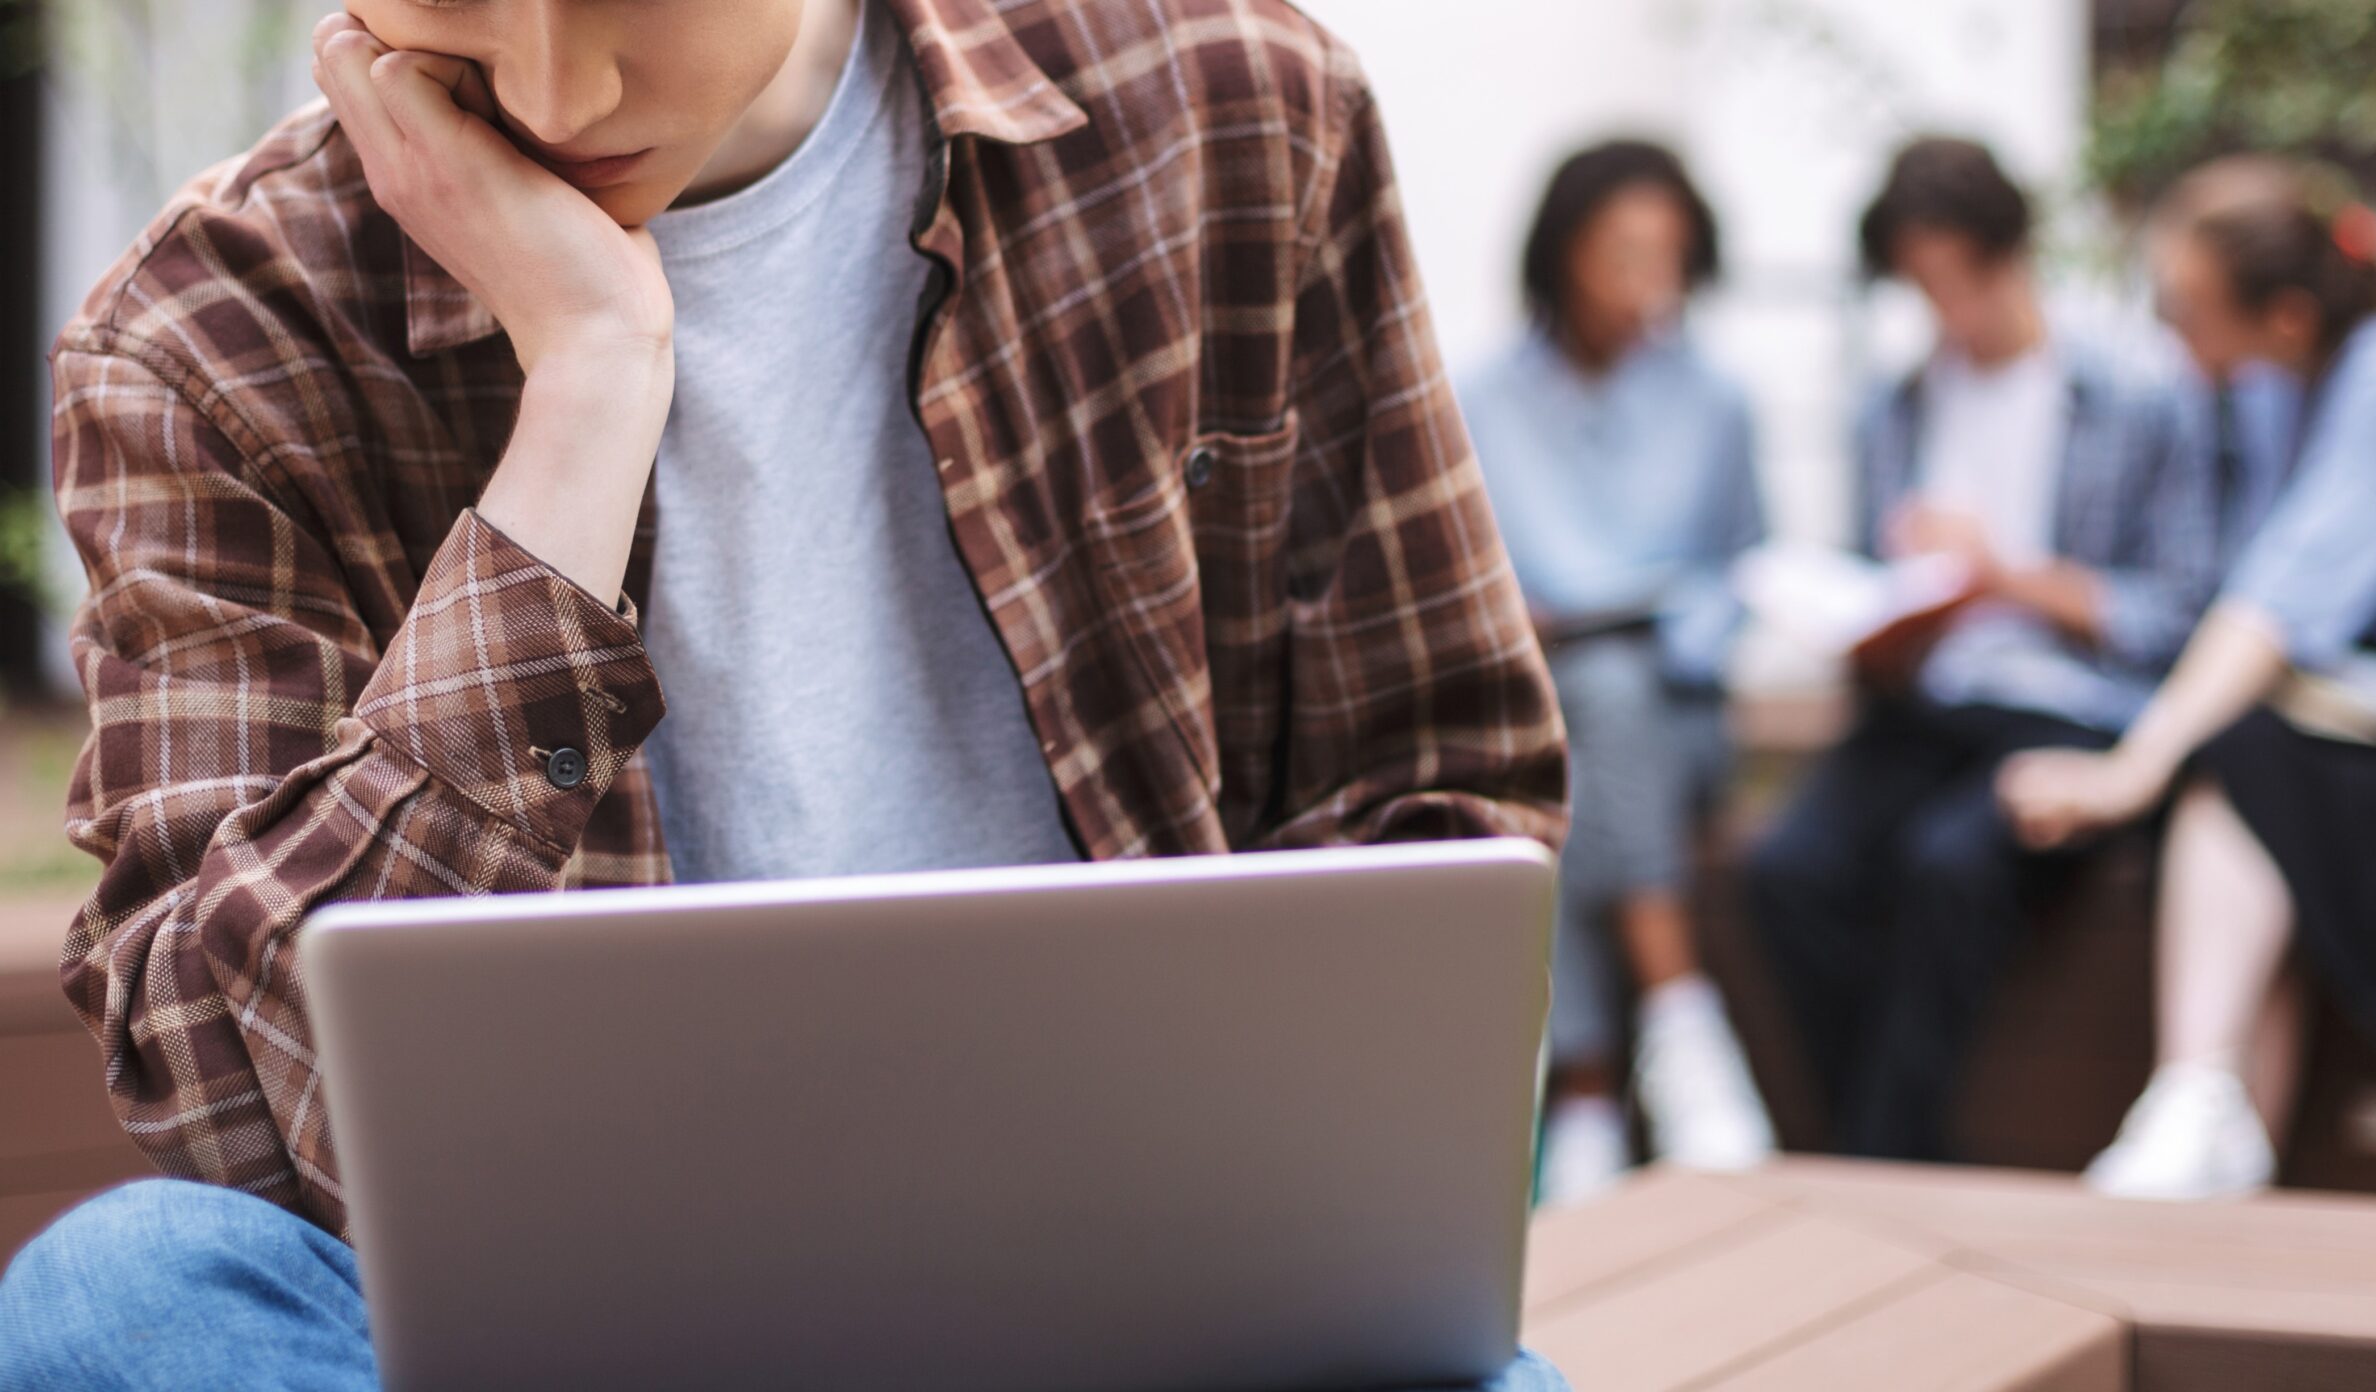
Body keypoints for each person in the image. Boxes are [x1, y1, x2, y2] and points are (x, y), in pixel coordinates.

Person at [0, 1, 1574, 1387]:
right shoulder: (210, 336)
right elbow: (221, 1096)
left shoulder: (1234, 110)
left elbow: (1438, 794)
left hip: (1158, 1306)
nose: (557, 94)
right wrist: (588, 399)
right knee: (118, 1299)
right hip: (566, 1340)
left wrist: (1232, 1217)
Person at [2002, 157, 2376, 1202]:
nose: (2168, 334)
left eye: (2184, 309)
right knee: (2264, 781)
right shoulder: (2270, 387)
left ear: (2287, 316)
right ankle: (2211, 1124)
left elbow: (2271, 610)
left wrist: (2133, 767)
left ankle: (2199, 1099)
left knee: (2245, 765)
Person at [1745, 137, 2221, 1162]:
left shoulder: (2133, 395)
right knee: (1785, 869)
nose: (1950, 311)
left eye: (1966, 280)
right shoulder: (1895, 404)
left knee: (1947, 869)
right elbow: (1868, 587)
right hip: (1925, 703)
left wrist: (2002, 575)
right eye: (1924, 288)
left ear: (2015, 254)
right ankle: (1880, 1145)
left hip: (2068, 710)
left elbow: (2176, 613)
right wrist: (1872, 623)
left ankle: (1884, 1162)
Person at [1460, 141, 1777, 1205]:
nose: (1654, 283)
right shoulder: (1482, 400)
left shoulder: (1717, 402)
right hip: (1539, 713)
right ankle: (1680, 1028)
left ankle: (1590, 1092)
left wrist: (1663, 626)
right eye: (1627, 254)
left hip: (1677, 718)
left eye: (1673, 258)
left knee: (1611, 696)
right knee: (1581, 714)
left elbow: (1739, 574)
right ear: (1563, 254)